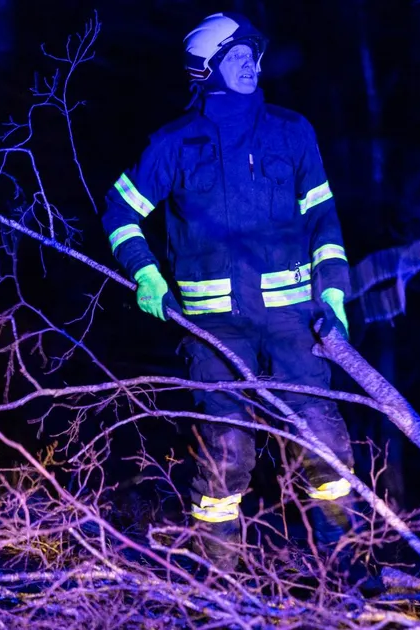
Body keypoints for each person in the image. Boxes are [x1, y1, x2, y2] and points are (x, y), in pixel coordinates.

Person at [100, 12, 357, 569]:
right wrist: (146, 274)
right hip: (213, 329)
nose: (250, 65)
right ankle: (221, 589)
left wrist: (334, 294)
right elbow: (120, 211)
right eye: (235, 57)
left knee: (323, 447)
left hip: (292, 321)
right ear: (205, 68)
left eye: (252, 56)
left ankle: (348, 574)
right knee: (225, 456)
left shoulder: (292, 131)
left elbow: (322, 218)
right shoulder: (174, 143)